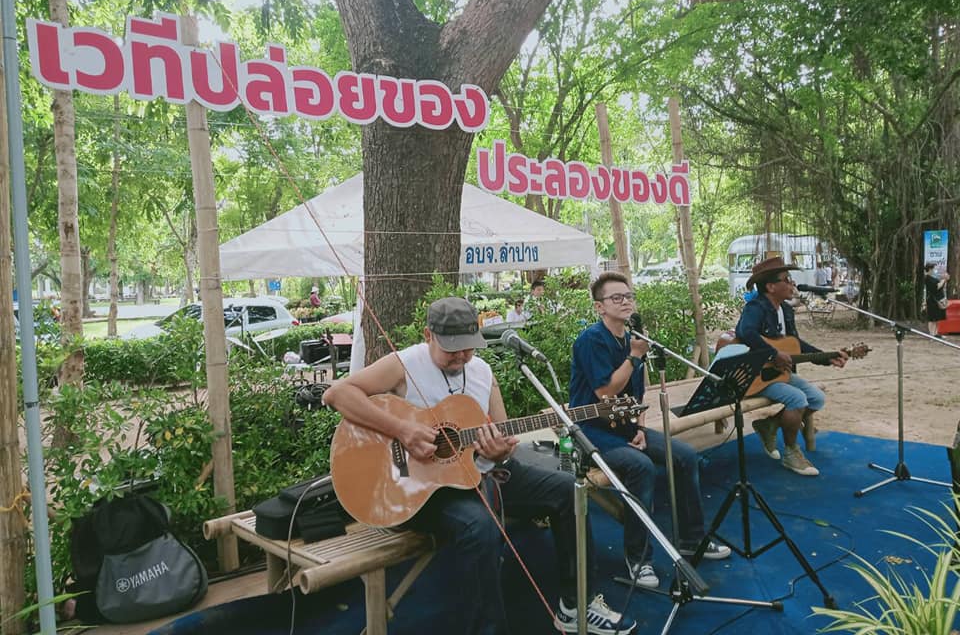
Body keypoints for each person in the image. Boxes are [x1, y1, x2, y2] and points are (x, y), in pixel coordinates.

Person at [323, 297, 635, 635]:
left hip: (478, 472)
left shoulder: (483, 372)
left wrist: (500, 451)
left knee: (568, 491)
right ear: (428, 336)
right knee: (479, 526)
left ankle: (576, 605)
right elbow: (337, 395)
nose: (461, 356)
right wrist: (403, 430)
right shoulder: (405, 363)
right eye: (451, 349)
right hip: (418, 488)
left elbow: (502, 436)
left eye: (468, 347)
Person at [569, 272, 731, 590]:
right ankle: (638, 558)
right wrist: (634, 356)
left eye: (629, 296)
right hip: (591, 430)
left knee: (684, 455)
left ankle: (692, 540)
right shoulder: (592, 340)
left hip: (626, 427)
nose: (626, 302)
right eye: (617, 298)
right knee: (640, 467)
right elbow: (606, 392)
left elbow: (637, 395)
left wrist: (640, 427)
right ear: (599, 307)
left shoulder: (634, 338)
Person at [735, 257, 848, 477]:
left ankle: (769, 425)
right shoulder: (755, 307)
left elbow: (796, 345)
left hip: (779, 374)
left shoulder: (786, 310)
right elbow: (745, 332)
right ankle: (791, 452)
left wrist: (828, 357)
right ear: (771, 286)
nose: (792, 283)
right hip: (756, 376)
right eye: (786, 279)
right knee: (797, 399)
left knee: (816, 398)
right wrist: (773, 353)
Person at [924, 262, 950, 337]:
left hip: (938, 300)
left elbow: (941, 286)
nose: (934, 270)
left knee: (937, 318)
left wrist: (945, 280)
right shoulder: (927, 278)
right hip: (932, 300)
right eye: (933, 269)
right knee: (932, 318)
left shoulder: (933, 278)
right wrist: (944, 279)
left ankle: (936, 334)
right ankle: (931, 334)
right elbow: (936, 287)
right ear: (930, 269)